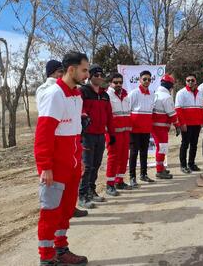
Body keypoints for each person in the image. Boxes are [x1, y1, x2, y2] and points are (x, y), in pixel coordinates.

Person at [34, 51, 89, 265]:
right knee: (50, 213)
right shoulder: (54, 94)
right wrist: (45, 167)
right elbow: (44, 135)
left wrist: (79, 160)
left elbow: (75, 133)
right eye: (84, 70)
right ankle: (47, 259)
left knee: (65, 211)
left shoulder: (76, 95)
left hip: (72, 166)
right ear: (71, 69)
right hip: (55, 167)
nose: (86, 74)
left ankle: (61, 250)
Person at [79, 64, 115, 208]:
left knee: (96, 165)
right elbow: (79, 109)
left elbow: (109, 116)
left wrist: (111, 134)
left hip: (101, 134)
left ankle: (91, 191)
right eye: (96, 75)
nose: (99, 78)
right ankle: (82, 195)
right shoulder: (83, 91)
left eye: (101, 75)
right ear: (90, 76)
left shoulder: (105, 95)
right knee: (87, 166)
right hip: (87, 135)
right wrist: (84, 116)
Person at [105, 73, 133, 196]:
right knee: (113, 158)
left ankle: (119, 181)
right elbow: (106, 116)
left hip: (125, 132)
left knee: (123, 157)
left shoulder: (126, 95)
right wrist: (109, 132)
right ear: (110, 83)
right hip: (113, 133)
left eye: (120, 82)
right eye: (115, 82)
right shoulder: (107, 96)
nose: (118, 84)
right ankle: (110, 184)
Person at [128, 70, 155, 187]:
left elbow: (151, 111)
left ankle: (143, 174)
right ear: (140, 80)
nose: (147, 81)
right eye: (144, 79)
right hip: (134, 129)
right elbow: (127, 110)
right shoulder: (133, 93)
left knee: (144, 152)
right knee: (134, 153)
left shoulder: (152, 94)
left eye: (149, 79)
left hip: (146, 128)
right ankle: (132, 177)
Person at [151, 74, 181, 179]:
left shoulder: (155, 94)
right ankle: (159, 171)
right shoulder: (166, 97)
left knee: (160, 148)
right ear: (170, 86)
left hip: (155, 127)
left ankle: (161, 167)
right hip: (161, 128)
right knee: (162, 148)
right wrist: (177, 126)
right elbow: (172, 113)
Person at [175, 74, 203, 173]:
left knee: (194, 145)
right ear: (185, 82)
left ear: (196, 82)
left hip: (196, 124)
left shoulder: (200, 93)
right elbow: (178, 110)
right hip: (187, 124)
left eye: (192, 80)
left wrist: (202, 122)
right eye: (188, 80)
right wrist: (182, 124)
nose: (190, 82)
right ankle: (183, 165)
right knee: (185, 144)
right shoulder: (181, 93)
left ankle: (191, 164)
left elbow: (202, 108)